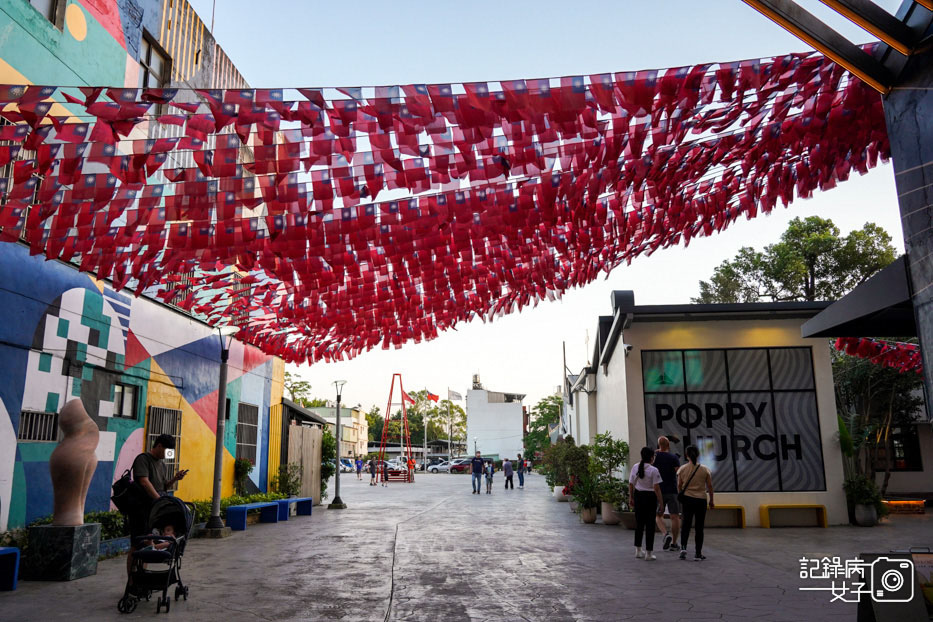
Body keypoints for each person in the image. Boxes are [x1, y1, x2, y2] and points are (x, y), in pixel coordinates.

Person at [127, 434, 187, 579]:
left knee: (149, 544)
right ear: (159, 445)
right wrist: (159, 500)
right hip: (141, 509)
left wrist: (175, 478)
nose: (168, 455)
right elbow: (144, 481)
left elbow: (164, 485)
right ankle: (132, 581)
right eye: (167, 450)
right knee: (137, 544)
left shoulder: (162, 464)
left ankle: (142, 577)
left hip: (154, 512)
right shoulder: (143, 459)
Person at [677, 445, 715, 561]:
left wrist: (682, 495)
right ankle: (698, 553)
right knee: (699, 527)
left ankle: (683, 548)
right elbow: (709, 486)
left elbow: (679, 486)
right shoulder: (705, 469)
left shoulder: (682, 469)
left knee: (686, 525)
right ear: (698, 455)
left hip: (688, 499)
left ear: (686, 455)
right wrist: (711, 500)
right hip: (701, 500)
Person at [628, 446, 664, 561]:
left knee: (639, 524)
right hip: (650, 498)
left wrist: (631, 498)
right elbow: (657, 488)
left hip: (638, 496)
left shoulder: (635, 467)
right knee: (650, 525)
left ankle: (638, 550)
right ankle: (649, 553)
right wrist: (661, 503)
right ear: (651, 458)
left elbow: (631, 484)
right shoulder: (654, 470)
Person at [653, 436, 682, 552]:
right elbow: (678, 473)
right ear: (668, 445)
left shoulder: (654, 457)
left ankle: (665, 534)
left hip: (659, 490)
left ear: (658, 445)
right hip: (672, 490)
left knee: (658, 515)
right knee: (675, 516)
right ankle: (674, 543)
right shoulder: (674, 457)